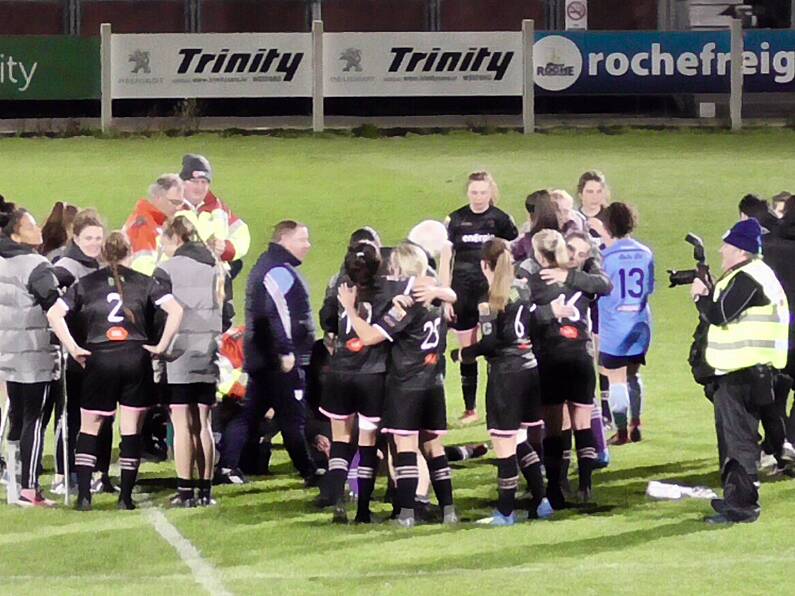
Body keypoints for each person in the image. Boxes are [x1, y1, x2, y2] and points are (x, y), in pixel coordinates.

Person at [47, 232, 183, 511]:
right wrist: (160, 345)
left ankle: (85, 496)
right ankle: (125, 498)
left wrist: (73, 347)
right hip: (135, 356)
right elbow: (176, 310)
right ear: (129, 253)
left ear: (102, 255)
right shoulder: (146, 282)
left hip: (99, 356)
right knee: (130, 428)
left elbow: (54, 313)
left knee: (90, 426)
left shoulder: (85, 283)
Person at [338, 242, 457, 528]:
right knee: (434, 448)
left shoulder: (406, 304)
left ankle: (406, 513)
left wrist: (350, 311)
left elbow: (369, 338)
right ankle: (450, 511)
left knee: (406, 448)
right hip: (434, 382)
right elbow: (449, 293)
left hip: (407, 385)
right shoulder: (436, 299)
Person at [690, 218, 788, 524]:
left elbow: (719, 314)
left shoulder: (750, 277)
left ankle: (743, 506)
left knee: (738, 442)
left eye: (727, 245)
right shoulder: (754, 274)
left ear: (741, 250)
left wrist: (700, 297)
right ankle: (736, 497)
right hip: (747, 371)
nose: (721, 250)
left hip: (742, 373)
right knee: (735, 439)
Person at [452, 238, 553, 525]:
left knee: (503, 445)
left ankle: (505, 512)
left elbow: (491, 343)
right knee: (521, 439)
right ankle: (542, 500)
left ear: (485, 265)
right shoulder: (523, 287)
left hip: (506, 377)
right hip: (528, 369)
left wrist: (462, 354)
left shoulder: (489, 300)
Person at [218, 221, 318, 486]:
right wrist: (286, 351)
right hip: (279, 360)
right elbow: (276, 314)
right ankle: (309, 471)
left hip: (263, 357)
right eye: (302, 239)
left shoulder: (271, 265)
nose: (307, 245)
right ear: (284, 240)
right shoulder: (278, 270)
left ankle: (227, 466)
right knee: (292, 417)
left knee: (250, 413)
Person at [528, 230, 612, 507]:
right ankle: (586, 486)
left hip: (550, 358)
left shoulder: (536, 281)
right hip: (581, 357)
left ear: (540, 254)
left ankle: (555, 488)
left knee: (553, 427)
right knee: (582, 423)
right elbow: (605, 285)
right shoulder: (582, 280)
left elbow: (525, 318)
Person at [440, 171, 518, 424]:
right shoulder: (456, 219)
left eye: (483, 192)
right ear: (467, 192)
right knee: (468, 349)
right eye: (474, 192)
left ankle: (498, 403)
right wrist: (445, 296)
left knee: (494, 346)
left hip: (490, 293)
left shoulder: (501, 220)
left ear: (491, 192)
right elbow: (445, 258)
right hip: (461, 292)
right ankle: (470, 408)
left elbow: (512, 256)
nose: (478, 197)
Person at [156, 215, 223, 507]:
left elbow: (161, 315)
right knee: (204, 422)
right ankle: (205, 491)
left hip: (178, 352)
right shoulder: (215, 267)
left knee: (182, 421)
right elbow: (227, 310)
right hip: (208, 350)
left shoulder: (166, 270)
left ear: (175, 239)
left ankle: (185, 490)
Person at [50, 210, 114, 496]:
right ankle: (65, 472)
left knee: (103, 415)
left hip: (101, 352)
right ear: (76, 237)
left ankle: (100, 471)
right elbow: (52, 306)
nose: (94, 243)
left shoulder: (101, 265)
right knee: (72, 414)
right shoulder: (65, 267)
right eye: (88, 238)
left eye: (98, 238)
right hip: (75, 353)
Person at [0, 208, 60, 506]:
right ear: (16, 234)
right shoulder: (36, 265)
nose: (39, 229)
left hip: (7, 351)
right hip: (34, 352)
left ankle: (13, 477)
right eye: (31, 225)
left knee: (17, 416)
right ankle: (29, 489)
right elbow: (55, 306)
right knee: (34, 420)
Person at [598, 203, 654, 445]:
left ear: (608, 225)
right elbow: (649, 287)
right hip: (640, 324)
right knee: (633, 375)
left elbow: (599, 289)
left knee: (615, 379)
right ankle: (636, 423)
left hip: (614, 324)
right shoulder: (645, 252)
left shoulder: (605, 256)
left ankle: (621, 432)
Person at [178, 154, 251, 278]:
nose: (200, 187)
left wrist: (225, 249)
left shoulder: (217, 206)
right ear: (182, 183)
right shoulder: (169, 207)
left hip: (215, 279)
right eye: (195, 182)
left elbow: (241, 234)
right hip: (179, 278)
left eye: (204, 182)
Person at [123, 174, 185, 276]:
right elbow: (142, 270)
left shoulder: (158, 222)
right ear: (158, 198)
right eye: (174, 202)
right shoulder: (144, 226)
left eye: (181, 203)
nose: (178, 208)